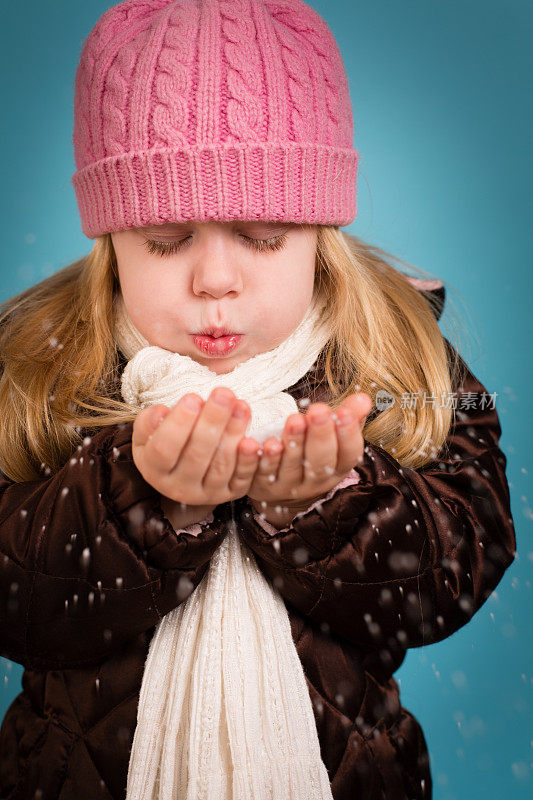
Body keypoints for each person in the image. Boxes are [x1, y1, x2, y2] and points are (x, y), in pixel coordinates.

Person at [0, 0, 516, 798]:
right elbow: (14, 598)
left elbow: (457, 567)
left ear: (319, 231)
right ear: (109, 241)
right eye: (166, 239)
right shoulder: (46, 368)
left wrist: (327, 510)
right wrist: (142, 500)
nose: (214, 279)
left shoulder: (388, 359)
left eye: (263, 234)